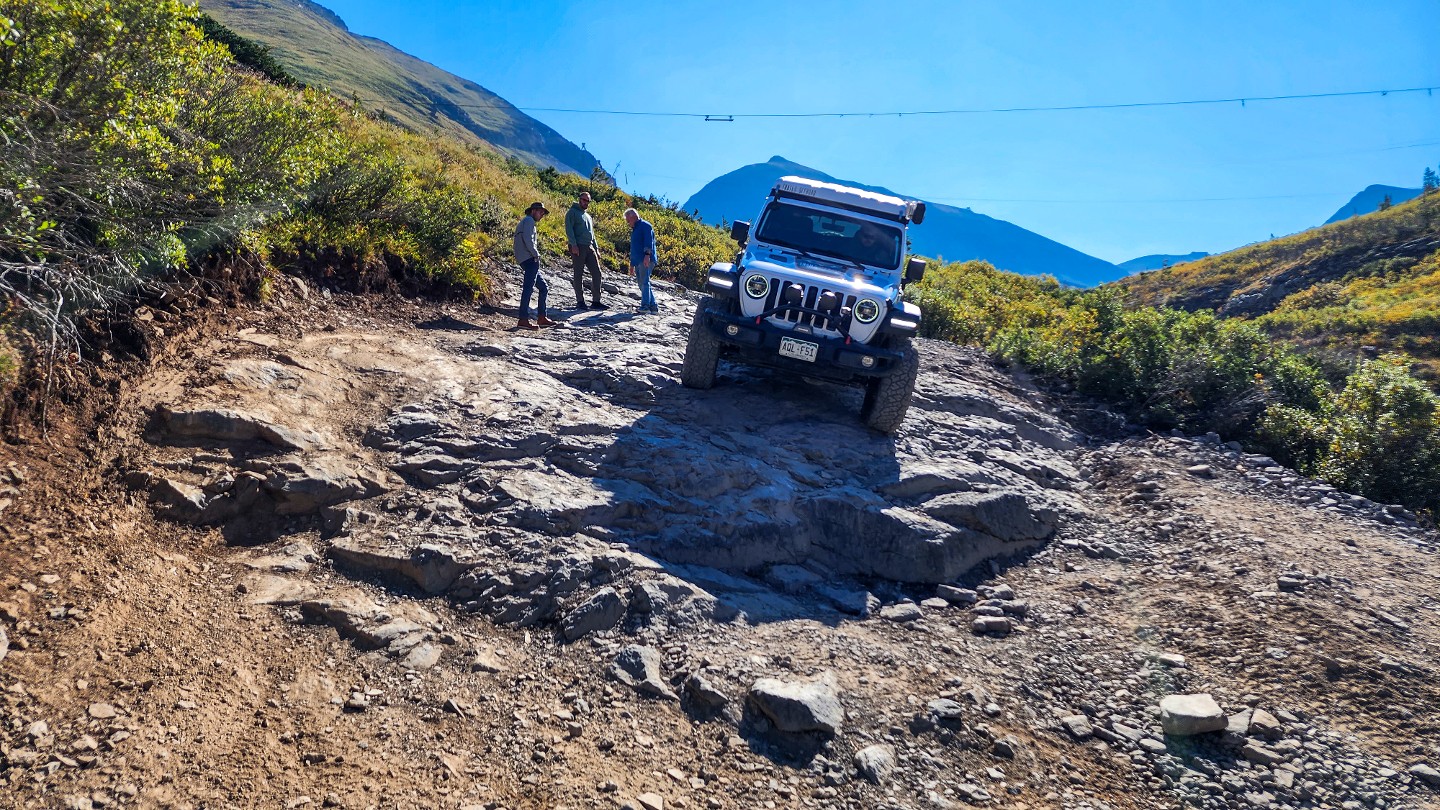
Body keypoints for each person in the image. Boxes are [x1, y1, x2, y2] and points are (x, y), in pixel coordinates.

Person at [512, 201, 556, 329]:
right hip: (530, 259)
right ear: (533, 211)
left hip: (524, 258)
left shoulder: (525, 221)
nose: (542, 214)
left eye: (543, 212)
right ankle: (523, 319)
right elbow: (528, 239)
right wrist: (536, 254)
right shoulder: (529, 221)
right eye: (540, 211)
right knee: (528, 289)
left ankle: (542, 317)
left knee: (543, 287)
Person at [565, 192, 606, 310]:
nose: (586, 203)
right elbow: (569, 229)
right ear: (579, 199)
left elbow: (592, 234)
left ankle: (596, 301)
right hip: (578, 246)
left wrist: (596, 249)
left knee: (597, 273)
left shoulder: (588, 216)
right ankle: (580, 301)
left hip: (589, 247)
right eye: (584, 200)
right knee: (578, 273)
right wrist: (573, 244)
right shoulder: (572, 212)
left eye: (588, 201)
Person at [624, 207, 658, 314]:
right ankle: (653, 306)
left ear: (633, 217)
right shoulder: (635, 229)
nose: (627, 222)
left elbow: (649, 242)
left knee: (644, 282)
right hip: (638, 260)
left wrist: (647, 255)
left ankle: (645, 306)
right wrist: (632, 264)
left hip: (646, 259)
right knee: (642, 283)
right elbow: (634, 248)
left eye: (628, 220)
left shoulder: (645, 226)